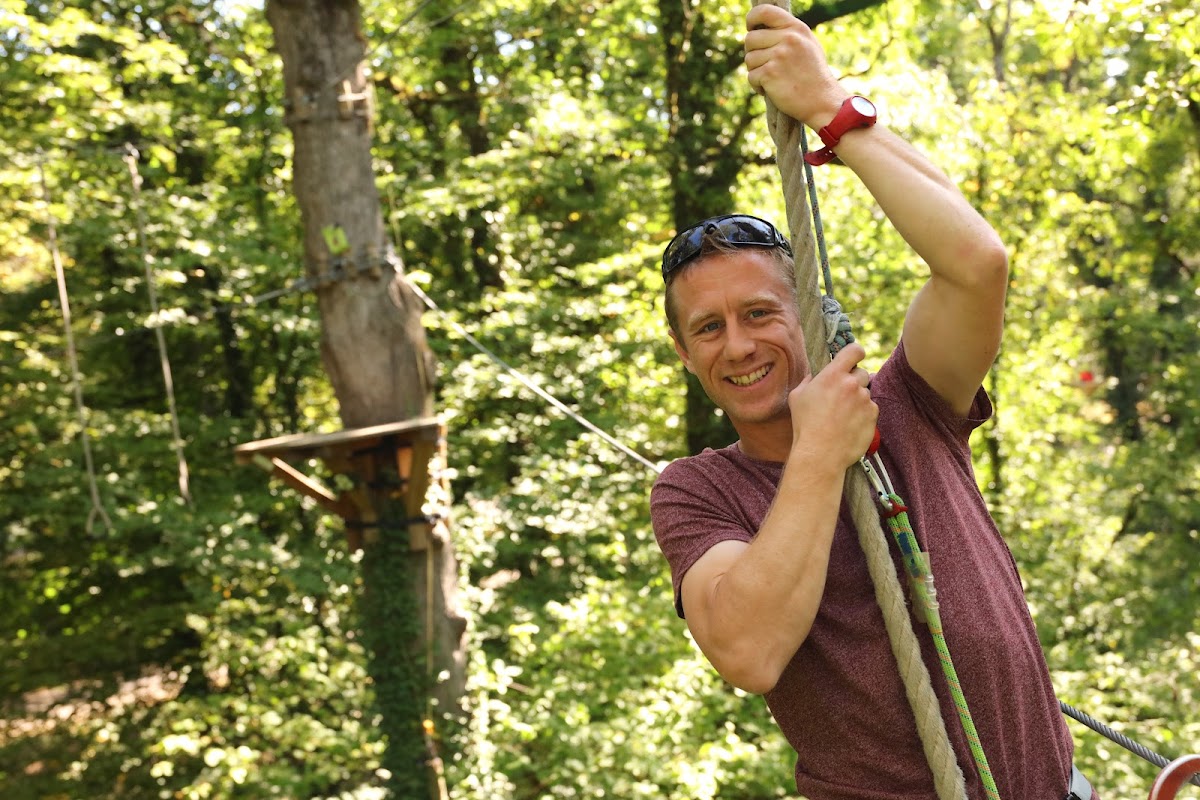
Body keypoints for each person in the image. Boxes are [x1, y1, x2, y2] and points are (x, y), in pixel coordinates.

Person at [649, 6, 1096, 800]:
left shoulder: (909, 404)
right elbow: (747, 651)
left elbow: (977, 263)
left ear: (808, 314)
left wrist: (831, 109)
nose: (739, 345)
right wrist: (820, 452)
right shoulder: (697, 492)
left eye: (759, 314)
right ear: (686, 356)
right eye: (708, 329)